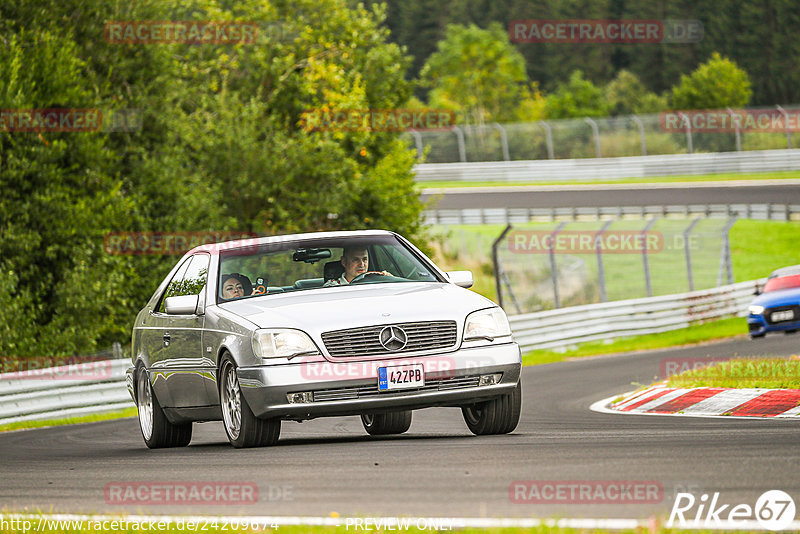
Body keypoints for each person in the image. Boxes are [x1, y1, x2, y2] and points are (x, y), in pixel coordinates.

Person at [324, 246, 391, 287]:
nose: (361, 265)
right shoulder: (332, 286)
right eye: (356, 260)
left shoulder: (377, 282)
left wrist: (389, 279)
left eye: (364, 259)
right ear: (344, 262)